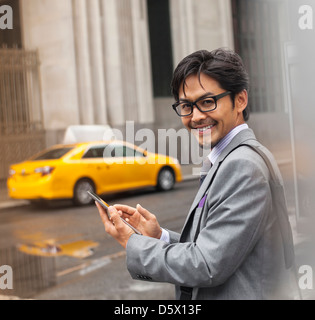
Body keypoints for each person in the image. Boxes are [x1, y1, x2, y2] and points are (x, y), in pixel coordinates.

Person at [96, 48, 298, 300]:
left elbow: (206, 264)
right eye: (186, 106)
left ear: (240, 100)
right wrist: (159, 237)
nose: (196, 117)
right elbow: (217, 246)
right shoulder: (233, 158)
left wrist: (133, 243)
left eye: (207, 102)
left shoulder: (242, 165)